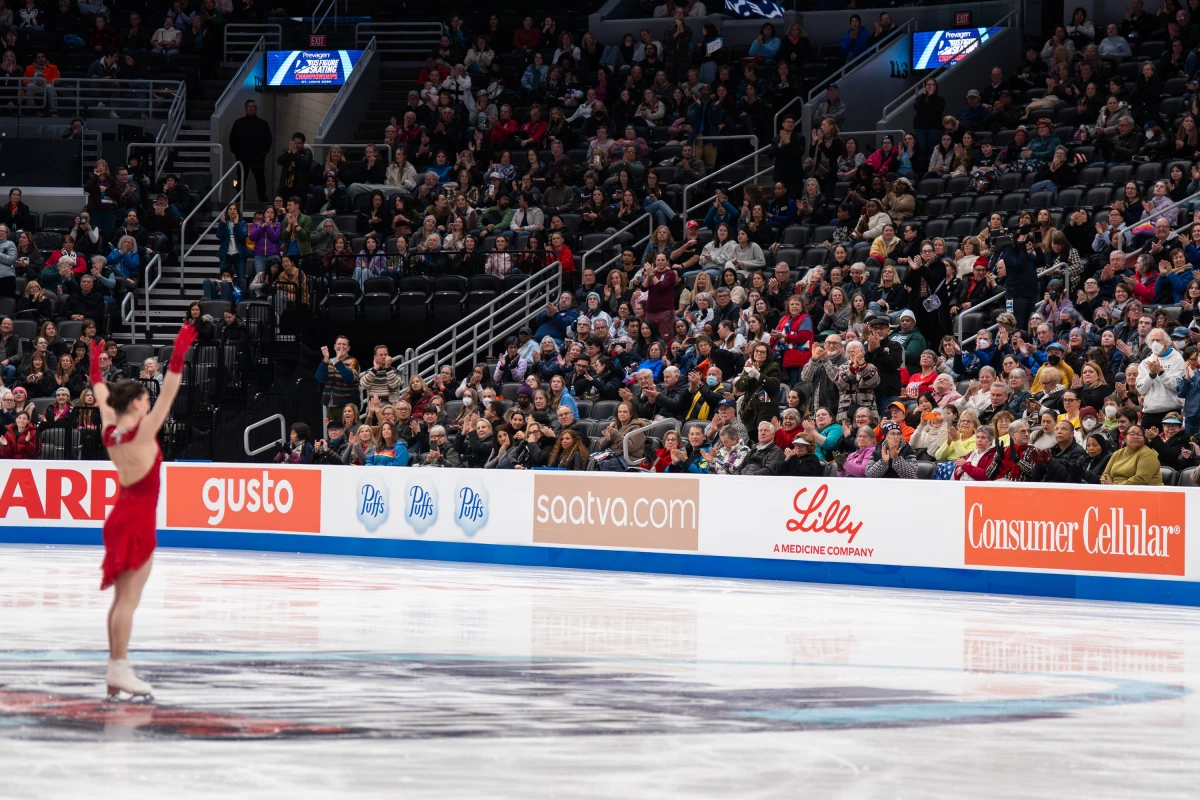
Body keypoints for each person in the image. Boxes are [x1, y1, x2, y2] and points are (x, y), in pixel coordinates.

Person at [89, 322, 196, 699]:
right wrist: (178, 357)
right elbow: (167, 393)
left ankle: (115, 666)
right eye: (144, 401)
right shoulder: (144, 430)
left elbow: (101, 393)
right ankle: (119, 667)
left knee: (121, 600)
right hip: (137, 521)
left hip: (119, 516)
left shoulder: (109, 428)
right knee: (129, 601)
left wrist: (95, 371)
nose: (149, 405)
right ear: (135, 403)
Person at [229, 99, 272, 202]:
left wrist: (263, 153)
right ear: (246, 109)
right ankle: (239, 201)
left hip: (258, 158)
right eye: (250, 107)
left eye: (254, 107)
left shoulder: (263, 124)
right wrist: (237, 154)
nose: (252, 108)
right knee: (240, 180)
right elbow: (232, 139)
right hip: (242, 157)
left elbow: (268, 140)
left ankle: (262, 202)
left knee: (260, 180)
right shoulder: (238, 123)